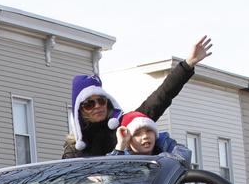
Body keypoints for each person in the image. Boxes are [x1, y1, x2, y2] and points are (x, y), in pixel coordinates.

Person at [63, 36, 213, 158]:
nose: (97, 106)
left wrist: (188, 64)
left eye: (101, 101)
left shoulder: (125, 125)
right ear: (79, 110)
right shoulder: (74, 146)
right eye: (89, 104)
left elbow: (161, 97)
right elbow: (67, 180)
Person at [109, 111, 191, 161]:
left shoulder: (166, 145)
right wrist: (120, 145)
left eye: (149, 131)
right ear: (128, 140)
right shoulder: (122, 156)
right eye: (137, 134)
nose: (145, 136)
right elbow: (107, 175)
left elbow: (184, 155)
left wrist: (160, 160)